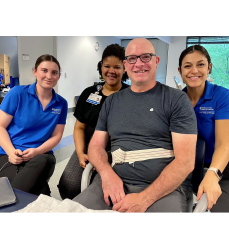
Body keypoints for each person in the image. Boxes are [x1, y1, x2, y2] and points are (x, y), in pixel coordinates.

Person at [73, 38, 198, 212]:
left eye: (145, 57)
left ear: (157, 61)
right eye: (132, 58)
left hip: (164, 190)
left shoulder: (175, 100)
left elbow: (185, 161)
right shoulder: (112, 102)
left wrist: (144, 198)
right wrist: (107, 175)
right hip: (113, 184)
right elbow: (95, 146)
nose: (138, 64)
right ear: (126, 64)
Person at [178, 45, 229, 212]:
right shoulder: (177, 99)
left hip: (227, 173)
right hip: (190, 170)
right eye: (187, 66)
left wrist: (212, 174)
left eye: (201, 64)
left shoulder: (222, 96)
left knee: (205, 213)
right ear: (180, 70)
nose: (194, 70)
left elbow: (223, 145)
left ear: (209, 67)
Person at [57, 44, 129, 199]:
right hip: (89, 149)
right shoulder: (89, 93)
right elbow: (79, 128)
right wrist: (81, 153)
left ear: (124, 69)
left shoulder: (130, 95)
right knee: (68, 185)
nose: (111, 71)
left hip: (117, 152)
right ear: (101, 67)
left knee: (101, 192)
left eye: (117, 67)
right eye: (107, 66)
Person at [0, 54, 68, 196]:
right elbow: (1, 126)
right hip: (10, 153)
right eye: (44, 70)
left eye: (54, 72)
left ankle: (8, 202)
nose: (49, 76)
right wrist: (11, 152)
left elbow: (56, 136)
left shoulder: (61, 103)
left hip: (41, 155)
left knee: (41, 161)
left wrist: (36, 151)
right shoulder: (17, 94)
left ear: (59, 76)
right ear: (35, 71)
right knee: (39, 191)